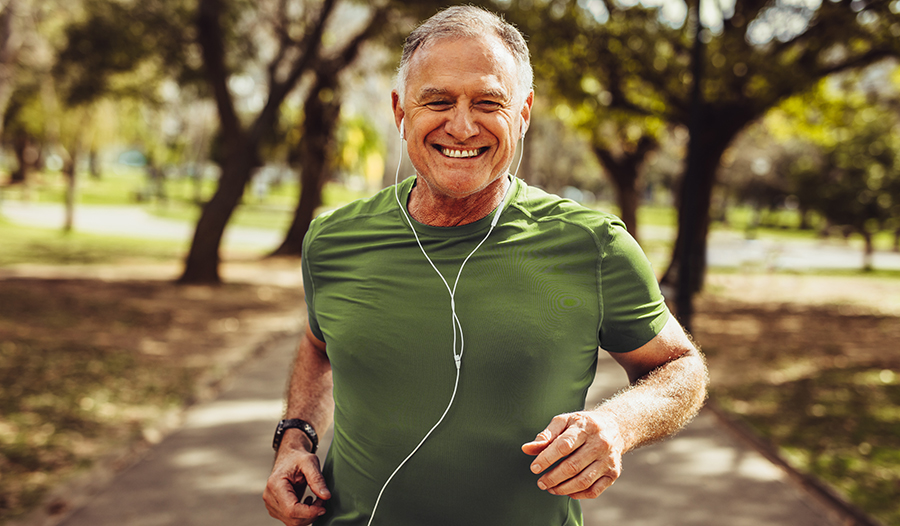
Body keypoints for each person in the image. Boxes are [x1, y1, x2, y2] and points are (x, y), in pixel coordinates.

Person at [264, 6, 707, 526]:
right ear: (400, 110)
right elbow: (319, 346)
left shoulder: (594, 245)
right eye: (438, 101)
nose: (462, 125)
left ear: (523, 113)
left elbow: (681, 367)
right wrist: (295, 438)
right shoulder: (333, 239)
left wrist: (618, 423)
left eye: (488, 102)